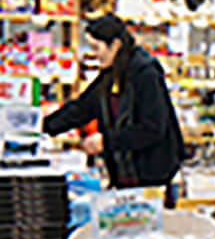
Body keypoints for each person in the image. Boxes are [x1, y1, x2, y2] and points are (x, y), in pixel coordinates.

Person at [43, 14, 184, 188]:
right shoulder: (110, 74)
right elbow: (83, 107)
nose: (94, 55)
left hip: (152, 173)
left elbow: (152, 128)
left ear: (115, 45)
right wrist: (44, 127)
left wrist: (106, 141)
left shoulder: (146, 73)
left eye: (97, 48)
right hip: (124, 172)